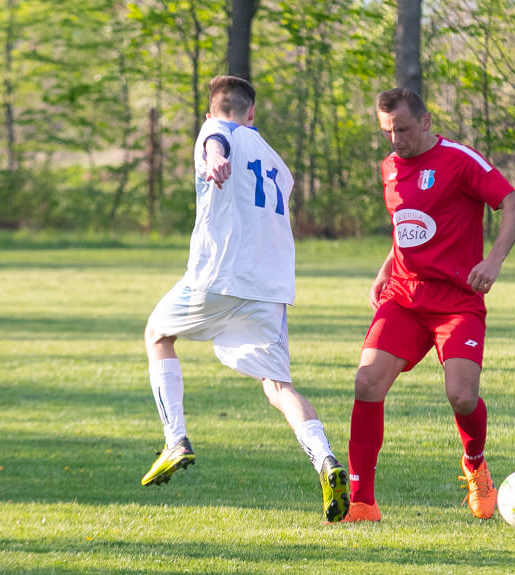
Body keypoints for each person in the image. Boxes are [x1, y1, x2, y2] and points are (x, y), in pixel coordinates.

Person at [141, 75, 349, 523]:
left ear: (213, 108)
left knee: (158, 333)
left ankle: (176, 439)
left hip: (219, 277)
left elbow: (216, 139)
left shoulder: (215, 130)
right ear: (253, 112)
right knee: (278, 387)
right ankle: (326, 459)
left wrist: (213, 153)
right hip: (270, 290)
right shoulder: (278, 163)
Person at [342, 88, 515, 522]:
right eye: (388, 131)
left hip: (457, 300)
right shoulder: (389, 167)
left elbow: (514, 205)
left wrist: (494, 260)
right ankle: (362, 501)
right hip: (405, 297)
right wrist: (388, 266)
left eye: (403, 129)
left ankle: (476, 465)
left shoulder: (461, 160)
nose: (395, 139)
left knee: (462, 397)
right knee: (367, 383)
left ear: (426, 122)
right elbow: (408, 225)